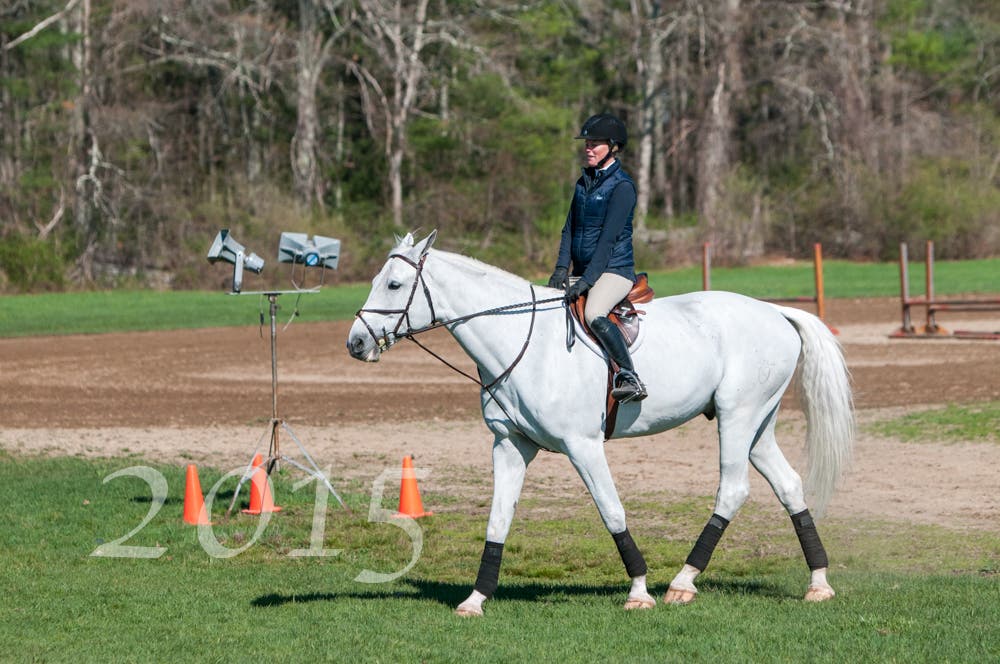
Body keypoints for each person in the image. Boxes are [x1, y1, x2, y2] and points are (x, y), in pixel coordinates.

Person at [548, 113, 647, 403]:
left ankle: (628, 375)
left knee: (593, 313)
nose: (588, 148)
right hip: (583, 270)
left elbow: (608, 241)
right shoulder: (583, 184)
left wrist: (587, 280)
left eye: (595, 144)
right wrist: (559, 271)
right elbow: (569, 230)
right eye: (587, 143)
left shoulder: (622, 187)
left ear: (613, 147)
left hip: (614, 270)